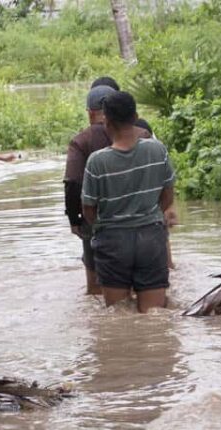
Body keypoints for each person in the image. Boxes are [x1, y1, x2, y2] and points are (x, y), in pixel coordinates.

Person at [81, 91, 175, 313]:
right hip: (151, 238)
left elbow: (88, 210)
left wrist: (108, 224)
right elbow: (167, 196)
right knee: (155, 315)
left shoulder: (97, 162)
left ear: (107, 121)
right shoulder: (157, 150)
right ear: (136, 116)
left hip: (113, 241)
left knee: (120, 315)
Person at [64, 84, 152, 295]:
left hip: (101, 224)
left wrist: (76, 220)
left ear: (90, 112)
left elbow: (73, 183)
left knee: (96, 291)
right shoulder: (144, 136)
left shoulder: (81, 141)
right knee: (145, 292)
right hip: (145, 225)